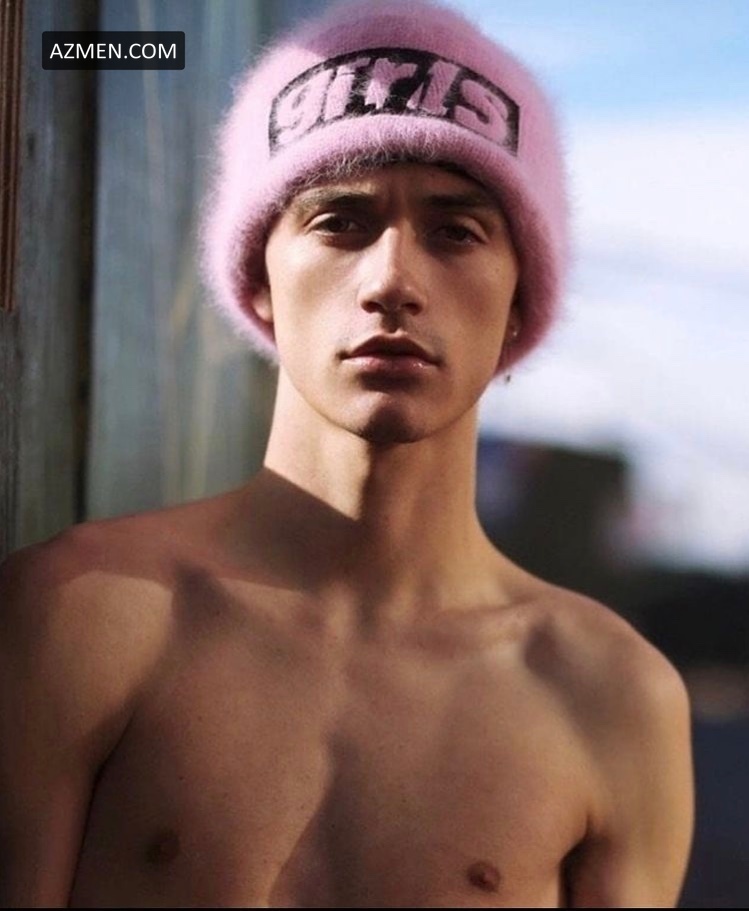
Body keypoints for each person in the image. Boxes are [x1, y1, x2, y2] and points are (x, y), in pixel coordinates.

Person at [0, 1, 693, 906]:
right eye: (340, 221)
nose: (391, 281)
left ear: (520, 302)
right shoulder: (81, 617)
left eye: (456, 231)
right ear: (257, 277)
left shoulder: (610, 695)